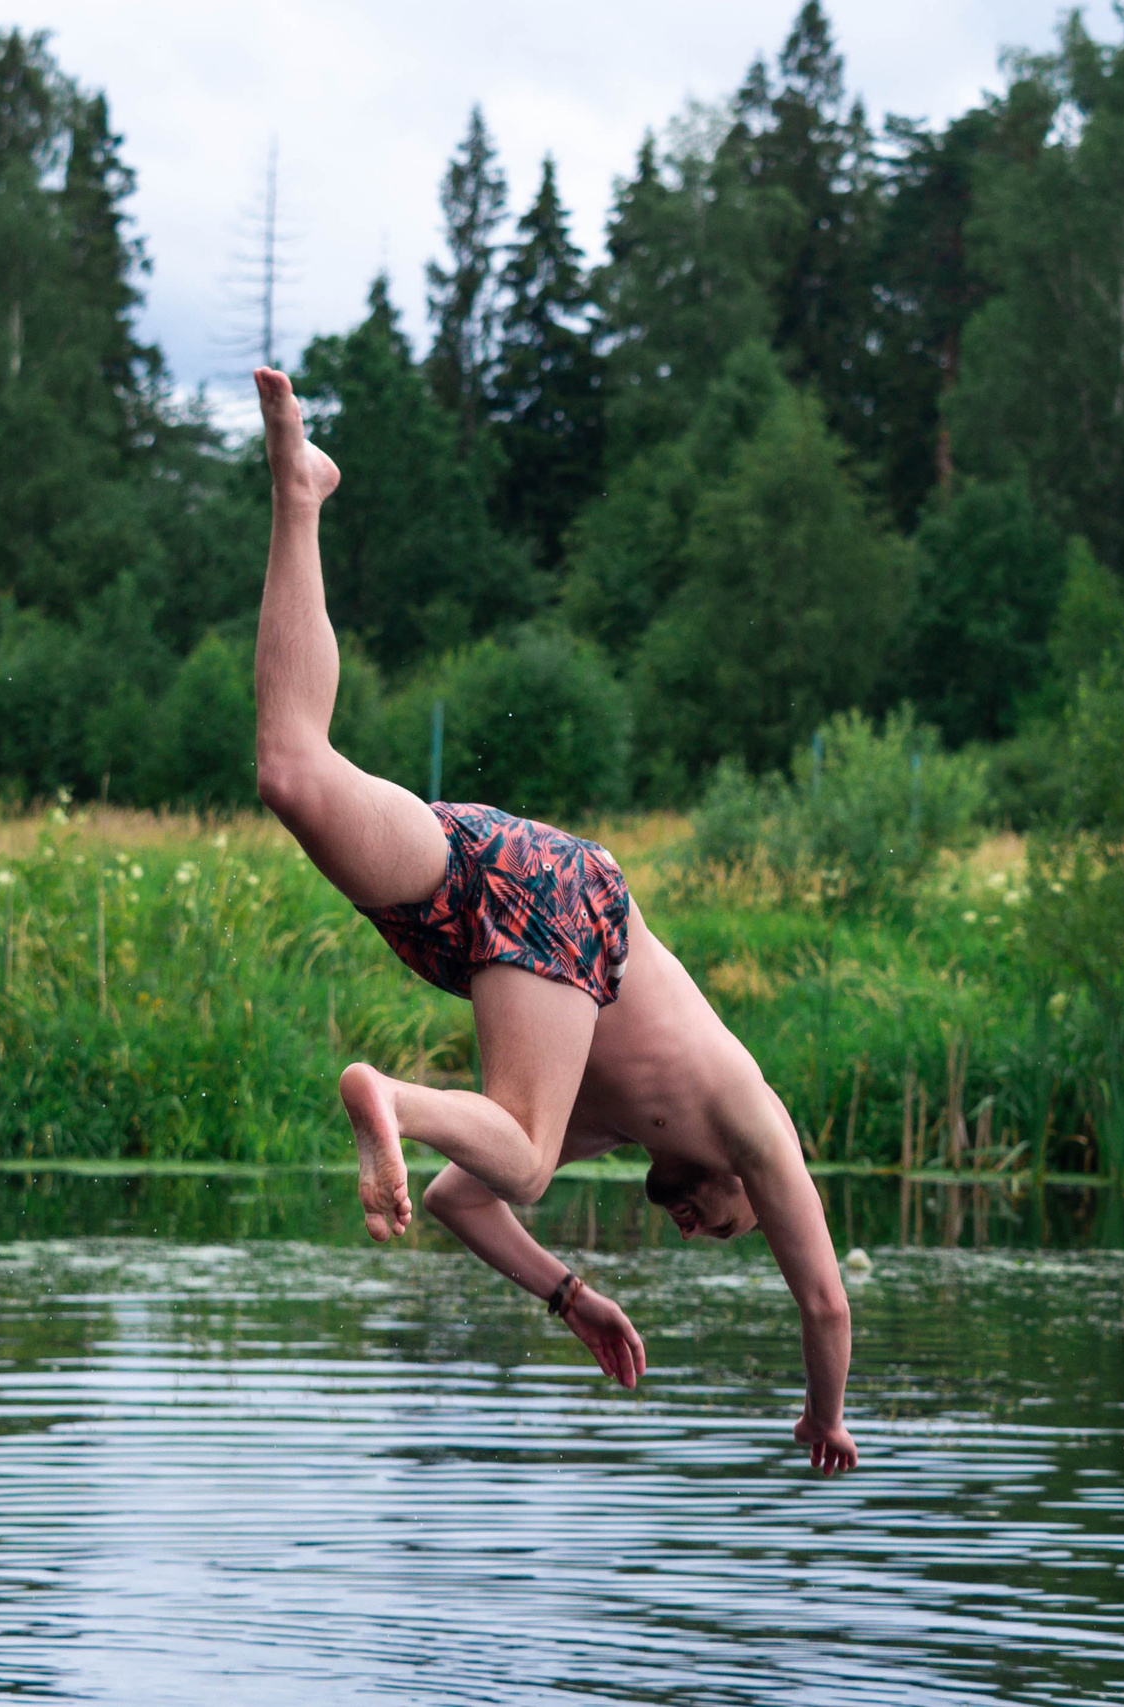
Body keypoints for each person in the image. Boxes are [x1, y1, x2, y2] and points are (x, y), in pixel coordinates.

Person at [249, 366, 857, 1476]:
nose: (697, 1229)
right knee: (523, 1157)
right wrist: (824, 1416)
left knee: (292, 768)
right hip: (563, 901)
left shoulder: (605, 1118)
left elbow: (452, 1200)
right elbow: (824, 1304)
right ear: (745, 1195)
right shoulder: (756, 1128)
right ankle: (386, 1090)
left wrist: (568, 1294)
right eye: (721, 1226)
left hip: (490, 897)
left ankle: (300, 490)